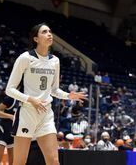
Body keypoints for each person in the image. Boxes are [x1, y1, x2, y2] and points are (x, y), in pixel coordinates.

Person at [5, 23, 86, 165]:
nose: (49, 34)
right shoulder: (25, 58)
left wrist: (68, 96)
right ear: (36, 38)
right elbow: (9, 89)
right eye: (44, 32)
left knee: (54, 161)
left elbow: (54, 90)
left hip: (46, 115)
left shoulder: (55, 61)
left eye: (50, 31)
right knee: (19, 162)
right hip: (27, 113)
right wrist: (32, 100)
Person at [0, 95, 19, 165]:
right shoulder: (11, 99)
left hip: (14, 134)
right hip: (2, 133)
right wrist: (11, 116)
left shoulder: (25, 102)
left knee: (14, 163)